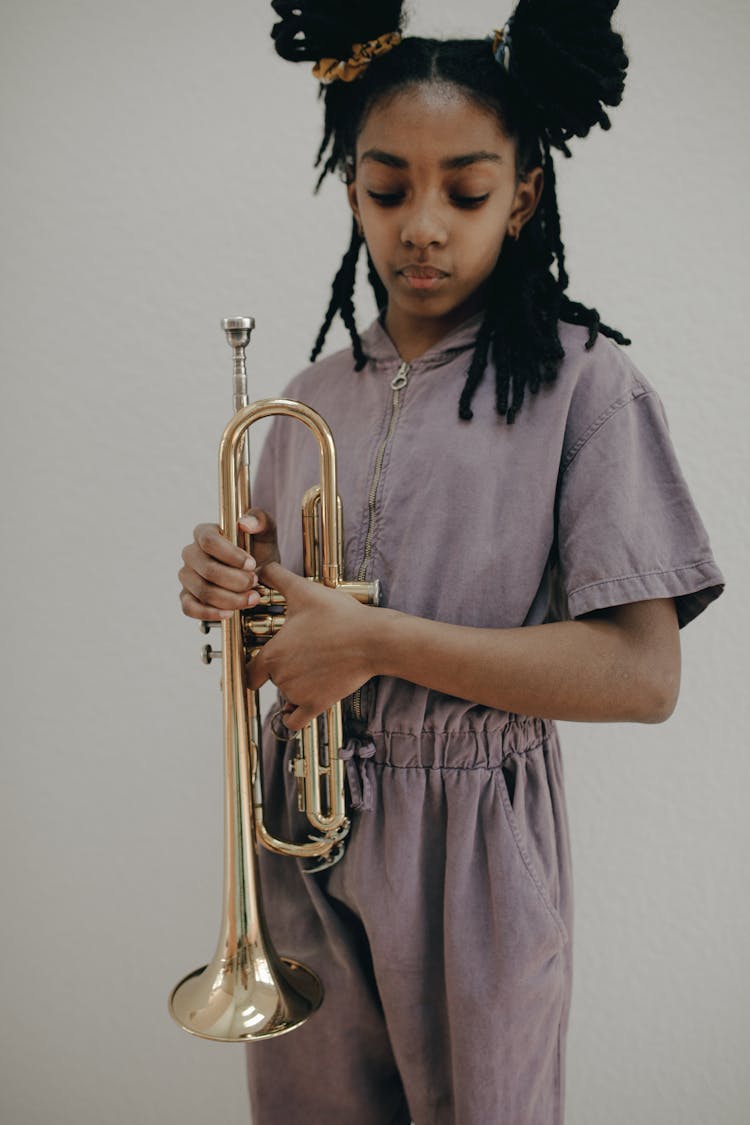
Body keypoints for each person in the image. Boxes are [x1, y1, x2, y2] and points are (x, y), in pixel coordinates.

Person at [177, 2, 725, 1122]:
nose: (423, 225)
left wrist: (371, 641)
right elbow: (279, 648)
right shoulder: (308, 397)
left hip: (475, 846)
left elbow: (643, 677)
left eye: (466, 192)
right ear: (351, 192)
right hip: (300, 838)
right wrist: (234, 598)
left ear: (522, 196)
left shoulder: (588, 387)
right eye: (388, 189)